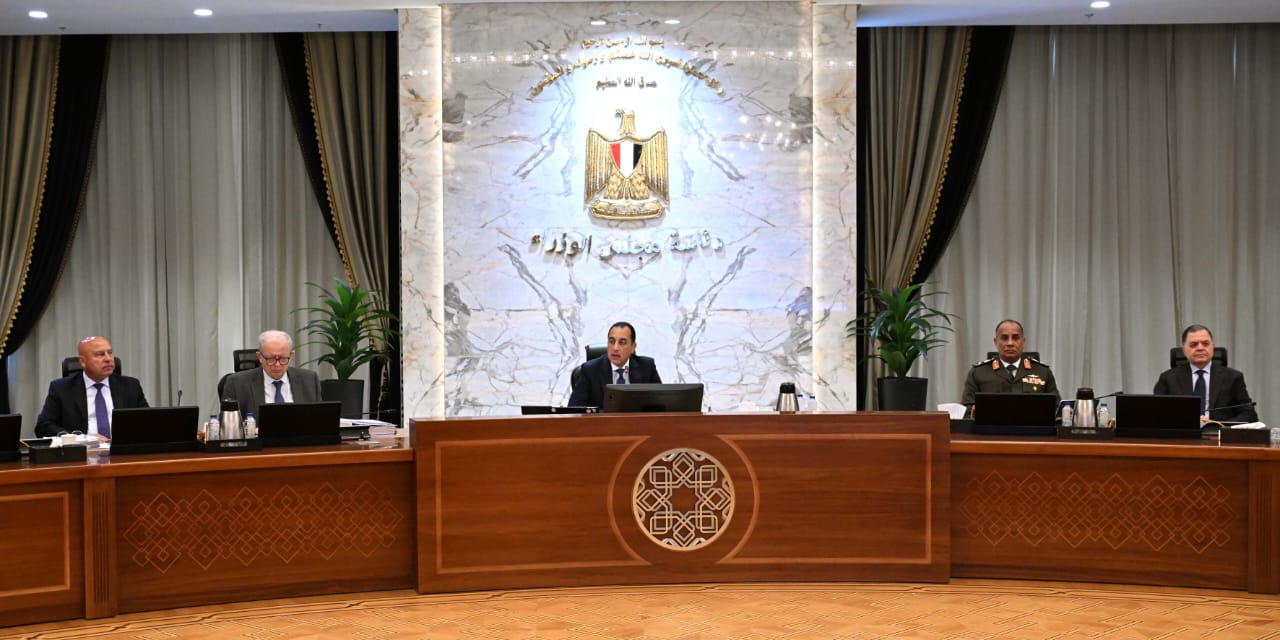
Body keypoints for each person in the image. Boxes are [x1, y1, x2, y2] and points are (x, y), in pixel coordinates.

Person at [35, 336, 150, 439]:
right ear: (83, 362)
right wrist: (79, 438)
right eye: (100, 354)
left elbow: (147, 421)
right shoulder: (61, 389)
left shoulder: (130, 386)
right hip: (81, 452)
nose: (108, 359)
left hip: (121, 451)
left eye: (110, 353)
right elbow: (43, 426)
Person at [1154, 324, 1257, 423]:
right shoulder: (1168, 378)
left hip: (1218, 432)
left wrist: (1217, 424)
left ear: (1212, 347)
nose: (1200, 348)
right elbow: (1156, 413)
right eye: (1193, 344)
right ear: (1184, 350)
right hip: (1184, 432)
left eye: (1205, 344)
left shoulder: (1233, 377)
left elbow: (1249, 414)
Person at [961, 319, 1060, 409]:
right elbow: (966, 410)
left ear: (1023, 342)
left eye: (1015, 338)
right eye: (1004, 338)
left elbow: (1057, 409)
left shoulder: (1042, 372)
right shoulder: (978, 373)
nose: (1010, 343)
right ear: (996, 342)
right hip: (992, 423)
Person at [220, 330, 322, 416]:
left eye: (283, 358)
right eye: (271, 359)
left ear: (291, 355)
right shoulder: (237, 384)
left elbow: (319, 419)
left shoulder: (309, 380)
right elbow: (227, 426)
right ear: (260, 357)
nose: (277, 365)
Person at [568, 321, 662, 407]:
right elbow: (574, 409)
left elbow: (661, 405)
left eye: (622, 342)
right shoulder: (590, 370)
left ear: (633, 347)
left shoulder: (647, 367)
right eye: (611, 341)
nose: (615, 348)